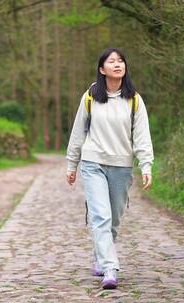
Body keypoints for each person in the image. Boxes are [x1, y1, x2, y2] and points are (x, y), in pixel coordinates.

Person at [65, 47, 154, 289]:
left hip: (121, 167)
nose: (117, 64)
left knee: (113, 219)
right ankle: (110, 268)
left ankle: (100, 255)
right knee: (100, 217)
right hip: (93, 164)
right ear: (102, 69)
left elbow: (142, 136)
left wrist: (146, 165)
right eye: (111, 61)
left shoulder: (134, 100)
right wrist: (71, 164)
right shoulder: (91, 96)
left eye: (121, 61)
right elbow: (78, 132)